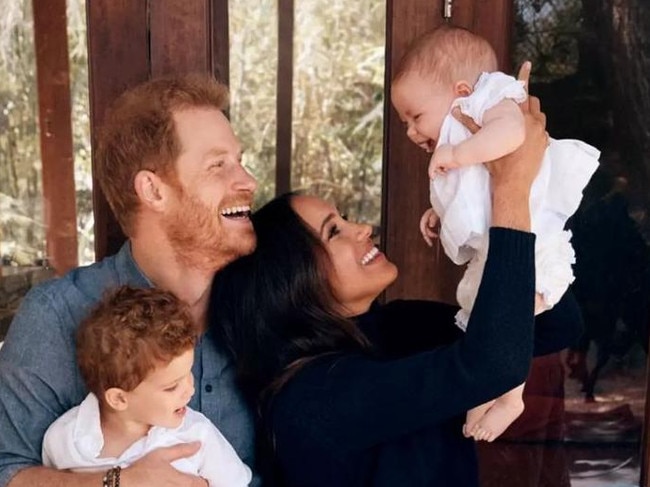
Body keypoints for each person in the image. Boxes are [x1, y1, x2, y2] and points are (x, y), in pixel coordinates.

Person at [209, 83, 584, 486]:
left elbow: (553, 326)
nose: (363, 229)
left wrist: (489, 216)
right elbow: (493, 366)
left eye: (345, 217)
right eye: (334, 231)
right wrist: (510, 189)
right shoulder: (313, 398)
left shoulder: (397, 327)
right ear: (291, 282)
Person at [0, 74, 260, 486]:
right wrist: (115, 483)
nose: (247, 181)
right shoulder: (56, 315)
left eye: (240, 160)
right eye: (218, 165)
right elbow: (4, 468)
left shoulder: (263, 303)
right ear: (153, 191)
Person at [390, 24, 599, 442]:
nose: (412, 132)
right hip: (501, 242)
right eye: (404, 122)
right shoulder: (463, 130)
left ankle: (510, 396)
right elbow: (476, 191)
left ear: (462, 90)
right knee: (481, 314)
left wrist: (457, 152)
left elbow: (513, 135)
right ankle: (488, 389)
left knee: (510, 317)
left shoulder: (493, 100)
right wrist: (439, 211)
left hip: (533, 240)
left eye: (416, 116)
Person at [42, 286, 252, 487]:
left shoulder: (196, 434)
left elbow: (236, 483)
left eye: (188, 374)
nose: (190, 390)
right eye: (171, 387)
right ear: (119, 398)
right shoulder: (65, 439)